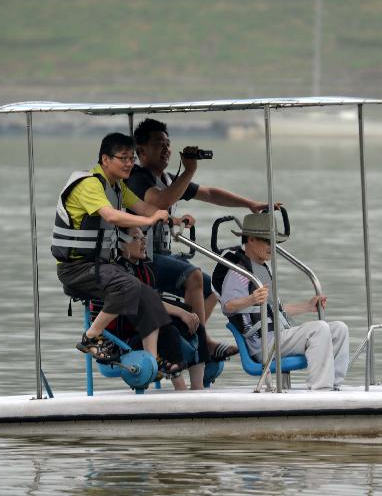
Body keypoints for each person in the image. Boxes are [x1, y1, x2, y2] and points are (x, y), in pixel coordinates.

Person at [127, 117, 273, 360]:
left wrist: (249, 204)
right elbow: (159, 201)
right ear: (141, 150)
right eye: (158, 144)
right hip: (139, 259)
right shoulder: (137, 177)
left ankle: (191, 336)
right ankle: (202, 345)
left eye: (168, 144)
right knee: (193, 276)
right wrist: (189, 170)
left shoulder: (168, 179)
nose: (166, 150)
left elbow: (209, 193)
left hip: (160, 256)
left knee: (210, 287)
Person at [53, 132, 173, 369]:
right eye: (123, 158)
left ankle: (151, 362)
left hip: (100, 265)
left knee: (148, 295)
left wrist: (174, 219)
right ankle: (90, 338)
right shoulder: (89, 185)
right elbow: (109, 215)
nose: (129, 163)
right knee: (127, 285)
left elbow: (143, 207)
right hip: (75, 268)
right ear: (105, 160)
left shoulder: (116, 186)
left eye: (132, 158)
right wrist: (147, 222)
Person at [214, 213, 349, 390]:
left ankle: (335, 386)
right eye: (268, 241)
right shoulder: (240, 273)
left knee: (340, 329)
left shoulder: (261, 269)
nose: (272, 246)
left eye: (274, 242)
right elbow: (227, 306)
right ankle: (321, 389)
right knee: (319, 329)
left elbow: (274, 310)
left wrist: (307, 306)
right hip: (263, 344)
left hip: (279, 336)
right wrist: (251, 299)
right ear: (252, 240)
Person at [114, 225, 208, 390]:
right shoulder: (118, 271)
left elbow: (154, 300)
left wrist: (185, 314)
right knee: (168, 331)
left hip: (151, 325)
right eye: (136, 238)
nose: (143, 243)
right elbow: (145, 302)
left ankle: (197, 388)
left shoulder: (144, 269)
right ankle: (180, 388)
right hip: (127, 340)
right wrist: (180, 312)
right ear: (121, 244)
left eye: (144, 238)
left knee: (195, 324)